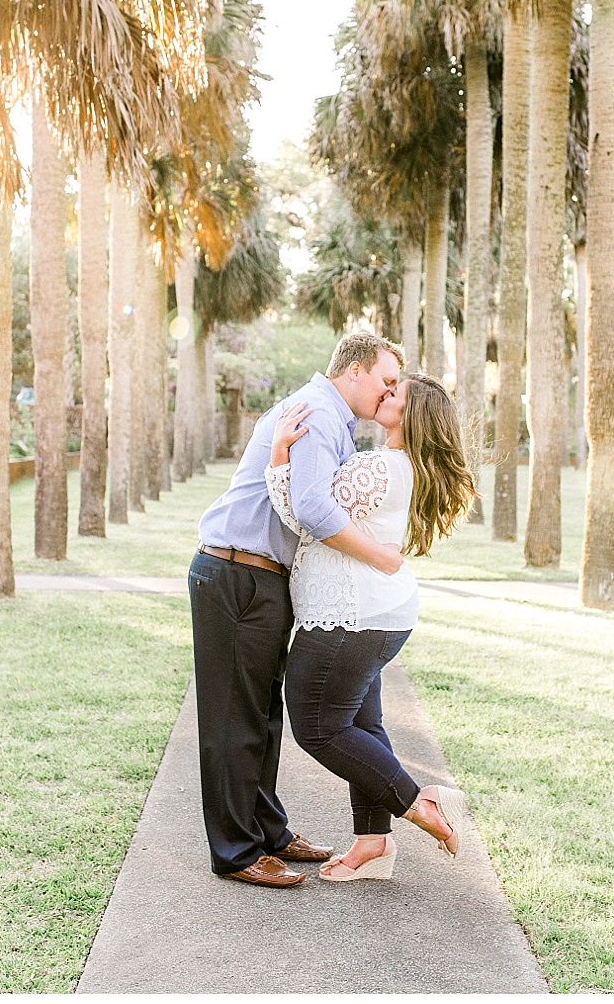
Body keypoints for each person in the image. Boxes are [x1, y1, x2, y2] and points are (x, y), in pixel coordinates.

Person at [190, 333, 408, 888]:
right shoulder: (316, 411)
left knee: (264, 717)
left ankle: (269, 830)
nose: (388, 392)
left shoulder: (335, 421)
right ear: (354, 371)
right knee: (233, 720)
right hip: (238, 572)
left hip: (263, 578)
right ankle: (237, 851)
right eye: (384, 380)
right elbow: (312, 506)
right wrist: (382, 558)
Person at [265, 372, 477, 881]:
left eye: (393, 394)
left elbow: (305, 515)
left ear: (410, 415)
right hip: (379, 616)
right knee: (361, 726)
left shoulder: (378, 468)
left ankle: (416, 803)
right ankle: (373, 843)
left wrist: (277, 458)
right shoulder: (404, 467)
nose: (384, 394)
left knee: (317, 726)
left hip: (350, 617)